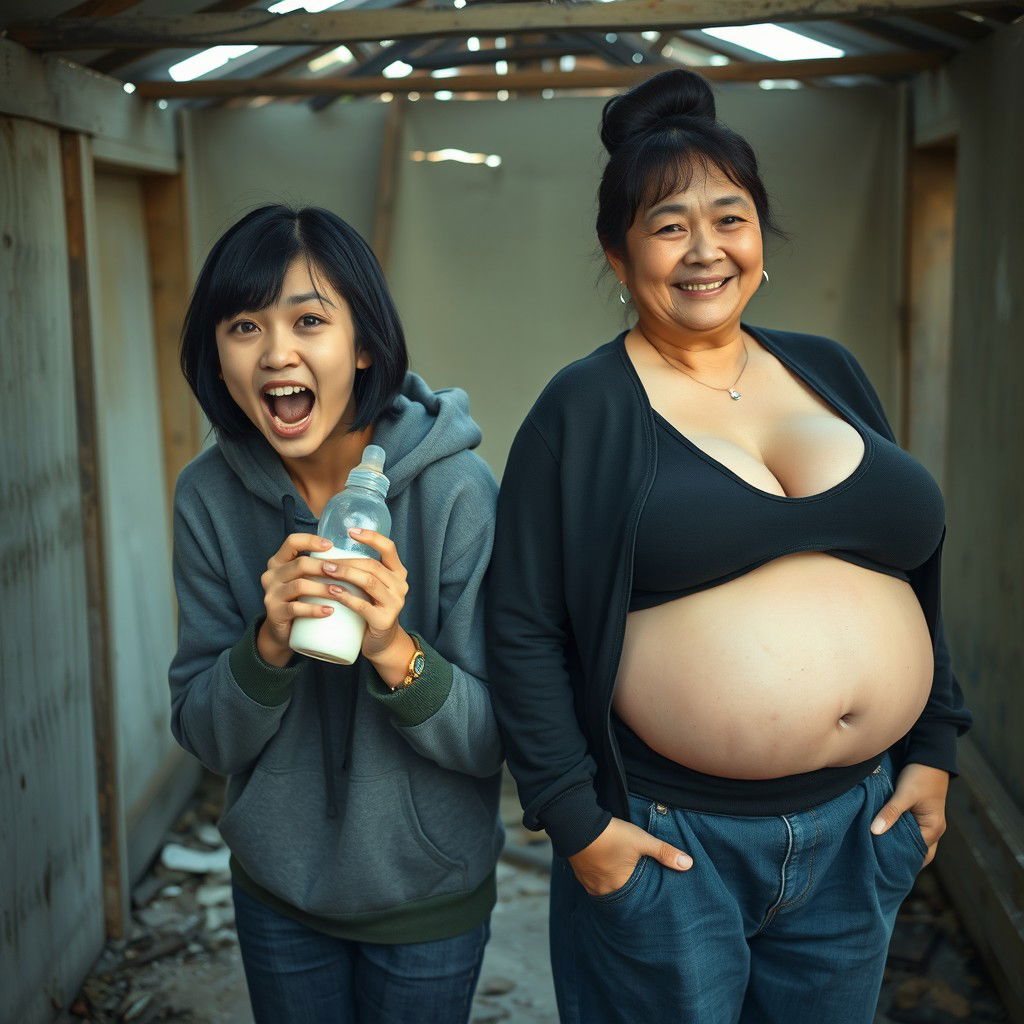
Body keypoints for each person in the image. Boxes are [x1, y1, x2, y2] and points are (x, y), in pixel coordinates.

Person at [486, 69, 970, 1024]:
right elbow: (521, 625)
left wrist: (935, 745)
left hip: (858, 825)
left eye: (729, 217)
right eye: (668, 225)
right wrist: (578, 823)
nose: (704, 250)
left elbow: (910, 572)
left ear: (760, 240)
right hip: (675, 846)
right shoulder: (583, 411)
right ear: (619, 258)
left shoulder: (827, 370)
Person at [169, 205, 503, 1024]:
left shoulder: (457, 494)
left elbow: (501, 736)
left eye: (309, 320)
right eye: (244, 325)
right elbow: (204, 734)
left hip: (427, 900)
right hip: (277, 895)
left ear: (362, 345)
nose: (277, 352)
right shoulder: (209, 497)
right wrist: (268, 644)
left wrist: (394, 648)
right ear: (218, 350)